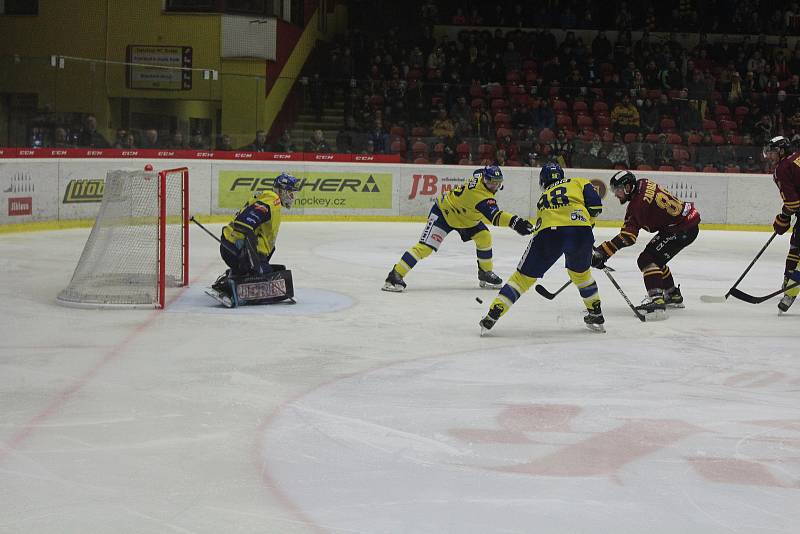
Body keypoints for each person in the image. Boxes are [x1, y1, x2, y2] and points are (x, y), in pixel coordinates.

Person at [479, 162, 605, 335]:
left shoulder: (543, 199)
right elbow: (596, 208)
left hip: (549, 233)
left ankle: (494, 313)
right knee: (582, 275)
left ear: (542, 180)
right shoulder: (579, 182)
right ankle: (596, 312)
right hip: (581, 232)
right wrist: (587, 242)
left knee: (522, 278)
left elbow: (549, 224)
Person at [382, 165, 534, 292]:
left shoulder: (480, 175)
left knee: (484, 236)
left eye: (498, 183)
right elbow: (496, 217)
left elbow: (478, 171)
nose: (495, 186)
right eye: (492, 183)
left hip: (466, 217)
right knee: (425, 248)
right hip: (444, 213)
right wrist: (516, 223)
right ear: (485, 180)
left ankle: (485, 273)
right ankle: (394, 275)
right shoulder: (480, 196)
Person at [592, 170, 701, 317]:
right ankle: (672, 293)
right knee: (656, 259)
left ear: (628, 187)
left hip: (681, 229)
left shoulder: (636, 206)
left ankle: (657, 301)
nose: (616, 194)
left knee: (647, 260)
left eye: (618, 190)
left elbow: (628, 237)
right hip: (683, 223)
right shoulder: (643, 182)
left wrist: (603, 252)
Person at [210, 173, 301, 305]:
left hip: (233, 248)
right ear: (281, 191)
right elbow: (244, 224)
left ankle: (235, 276)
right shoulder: (271, 201)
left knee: (274, 271)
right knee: (266, 275)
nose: (293, 197)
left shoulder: (270, 200)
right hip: (235, 250)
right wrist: (253, 261)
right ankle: (229, 288)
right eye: (291, 192)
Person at [762, 136, 800, 313]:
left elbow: (793, 204)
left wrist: (783, 217)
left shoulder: (782, 169)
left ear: (781, 150)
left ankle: (790, 290)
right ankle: (788, 281)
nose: (769, 155)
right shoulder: (797, 157)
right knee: (796, 245)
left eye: (772, 151)